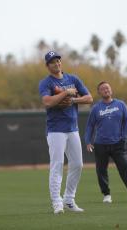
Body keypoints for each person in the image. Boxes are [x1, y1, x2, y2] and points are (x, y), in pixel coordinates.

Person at [39, 51, 93, 214]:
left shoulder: (73, 79)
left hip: (72, 128)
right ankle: (57, 202)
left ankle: (69, 199)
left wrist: (73, 99)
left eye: (58, 61)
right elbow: (47, 102)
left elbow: (89, 98)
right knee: (57, 165)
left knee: (78, 164)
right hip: (56, 130)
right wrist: (65, 93)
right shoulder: (46, 82)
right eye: (53, 62)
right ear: (48, 66)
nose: (57, 64)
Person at [85, 81, 127, 203]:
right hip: (100, 144)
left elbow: (126, 121)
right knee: (101, 170)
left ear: (111, 90)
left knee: (125, 167)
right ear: (99, 92)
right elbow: (90, 126)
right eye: (103, 89)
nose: (106, 90)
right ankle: (106, 195)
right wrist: (87, 141)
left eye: (107, 88)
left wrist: (124, 137)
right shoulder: (96, 108)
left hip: (118, 143)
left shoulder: (120, 105)